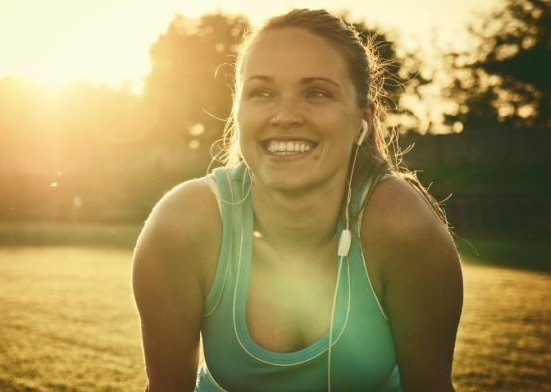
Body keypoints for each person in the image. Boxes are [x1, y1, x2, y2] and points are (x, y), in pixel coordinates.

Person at [132, 8, 463, 392]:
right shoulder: (183, 225)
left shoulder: (404, 228)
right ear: (238, 111)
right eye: (262, 92)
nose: (285, 115)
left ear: (363, 119)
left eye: (317, 93)